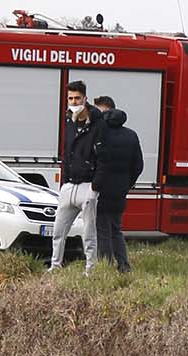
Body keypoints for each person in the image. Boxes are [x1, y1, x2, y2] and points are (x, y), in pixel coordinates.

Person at [51, 79, 102, 271]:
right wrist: (64, 182)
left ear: (85, 98)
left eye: (77, 98)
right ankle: (55, 265)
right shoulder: (68, 121)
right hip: (70, 185)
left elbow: (103, 159)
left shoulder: (97, 124)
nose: (73, 102)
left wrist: (94, 188)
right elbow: (66, 152)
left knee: (88, 232)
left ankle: (91, 268)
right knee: (58, 230)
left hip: (87, 185)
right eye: (70, 98)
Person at [91, 107, 144, 275]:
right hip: (120, 189)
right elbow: (138, 165)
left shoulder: (101, 134)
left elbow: (95, 160)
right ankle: (123, 265)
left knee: (102, 229)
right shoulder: (131, 135)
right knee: (116, 228)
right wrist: (128, 183)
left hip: (102, 187)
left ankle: (105, 266)